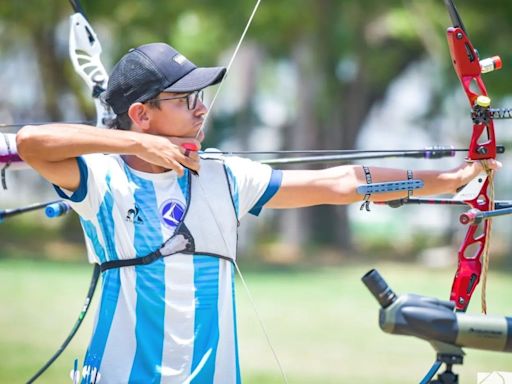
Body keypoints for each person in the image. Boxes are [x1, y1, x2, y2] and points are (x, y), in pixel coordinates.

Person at [16, 42, 499, 384]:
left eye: (200, 98)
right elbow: (32, 143)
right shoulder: (101, 180)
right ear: (141, 114)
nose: (201, 110)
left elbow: (341, 183)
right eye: (186, 101)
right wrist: (137, 144)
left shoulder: (224, 176)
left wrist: (452, 179)